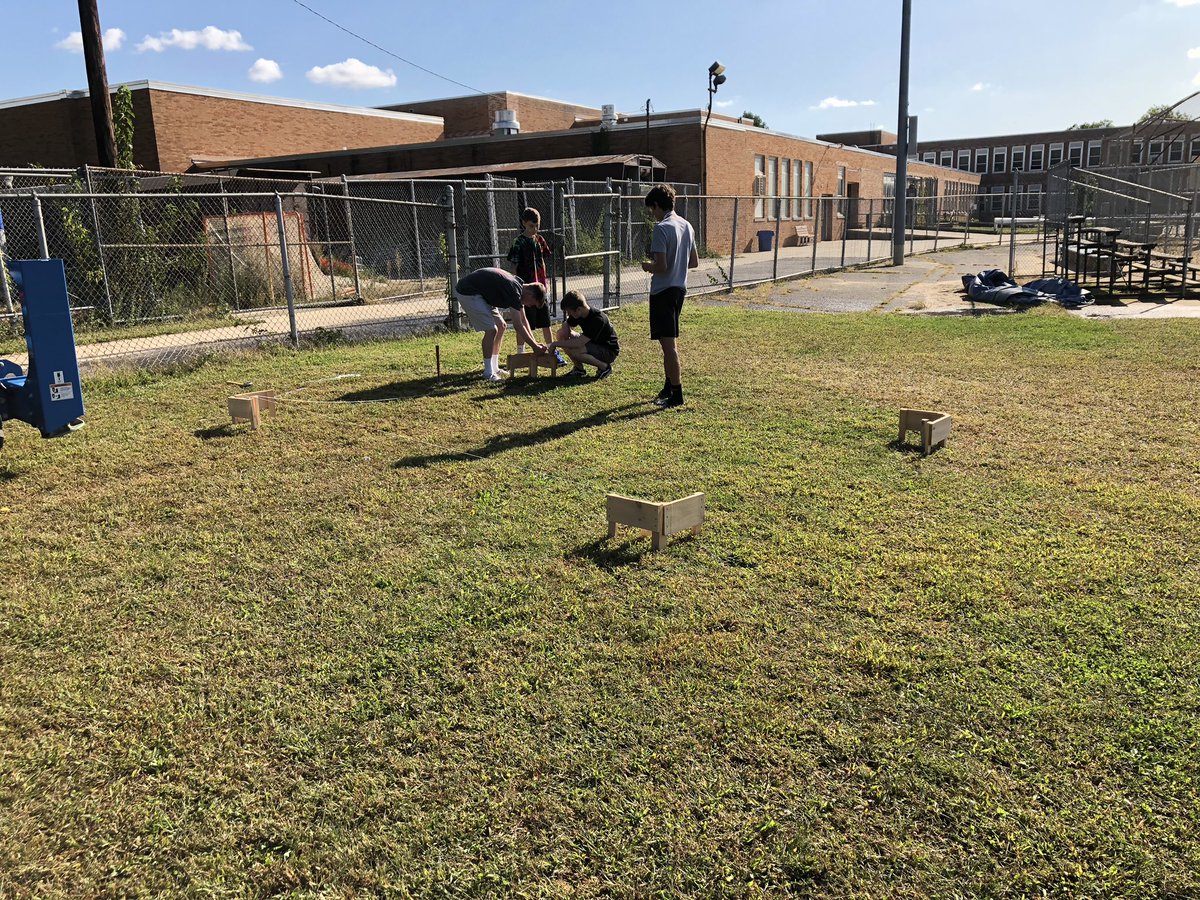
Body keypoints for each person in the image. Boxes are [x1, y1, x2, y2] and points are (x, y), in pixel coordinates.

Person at [641, 184, 698, 408]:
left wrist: (649, 266)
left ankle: (676, 393)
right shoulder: (687, 225)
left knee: (668, 345)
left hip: (663, 291)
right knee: (668, 342)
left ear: (656, 205)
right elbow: (693, 262)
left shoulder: (662, 228)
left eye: (651, 209)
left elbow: (661, 265)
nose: (652, 214)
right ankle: (668, 385)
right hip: (679, 289)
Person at [453, 267, 547, 381]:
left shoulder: (519, 286)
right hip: (468, 292)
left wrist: (535, 344)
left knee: (501, 326)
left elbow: (523, 320)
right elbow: (518, 325)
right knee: (491, 330)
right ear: (530, 294)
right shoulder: (514, 291)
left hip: (483, 294)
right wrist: (535, 347)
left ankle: (494, 368)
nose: (529, 306)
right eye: (532, 304)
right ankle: (488, 373)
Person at [505, 208, 561, 361]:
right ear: (523, 223)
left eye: (537, 226)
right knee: (524, 321)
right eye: (531, 226)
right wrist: (515, 284)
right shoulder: (518, 242)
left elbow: (544, 259)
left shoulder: (540, 240)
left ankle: (552, 351)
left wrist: (545, 282)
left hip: (540, 288)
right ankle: (520, 353)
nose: (534, 229)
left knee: (545, 321)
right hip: (526, 291)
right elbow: (513, 265)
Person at [548, 290, 619, 379]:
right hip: (593, 343)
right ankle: (579, 369)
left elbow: (579, 343)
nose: (569, 314)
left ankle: (604, 367)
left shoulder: (597, 319)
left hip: (608, 351)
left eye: (569, 312)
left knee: (576, 351)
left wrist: (555, 344)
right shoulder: (579, 314)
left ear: (578, 309)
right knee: (561, 334)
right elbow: (567, 323)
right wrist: (565, 327)